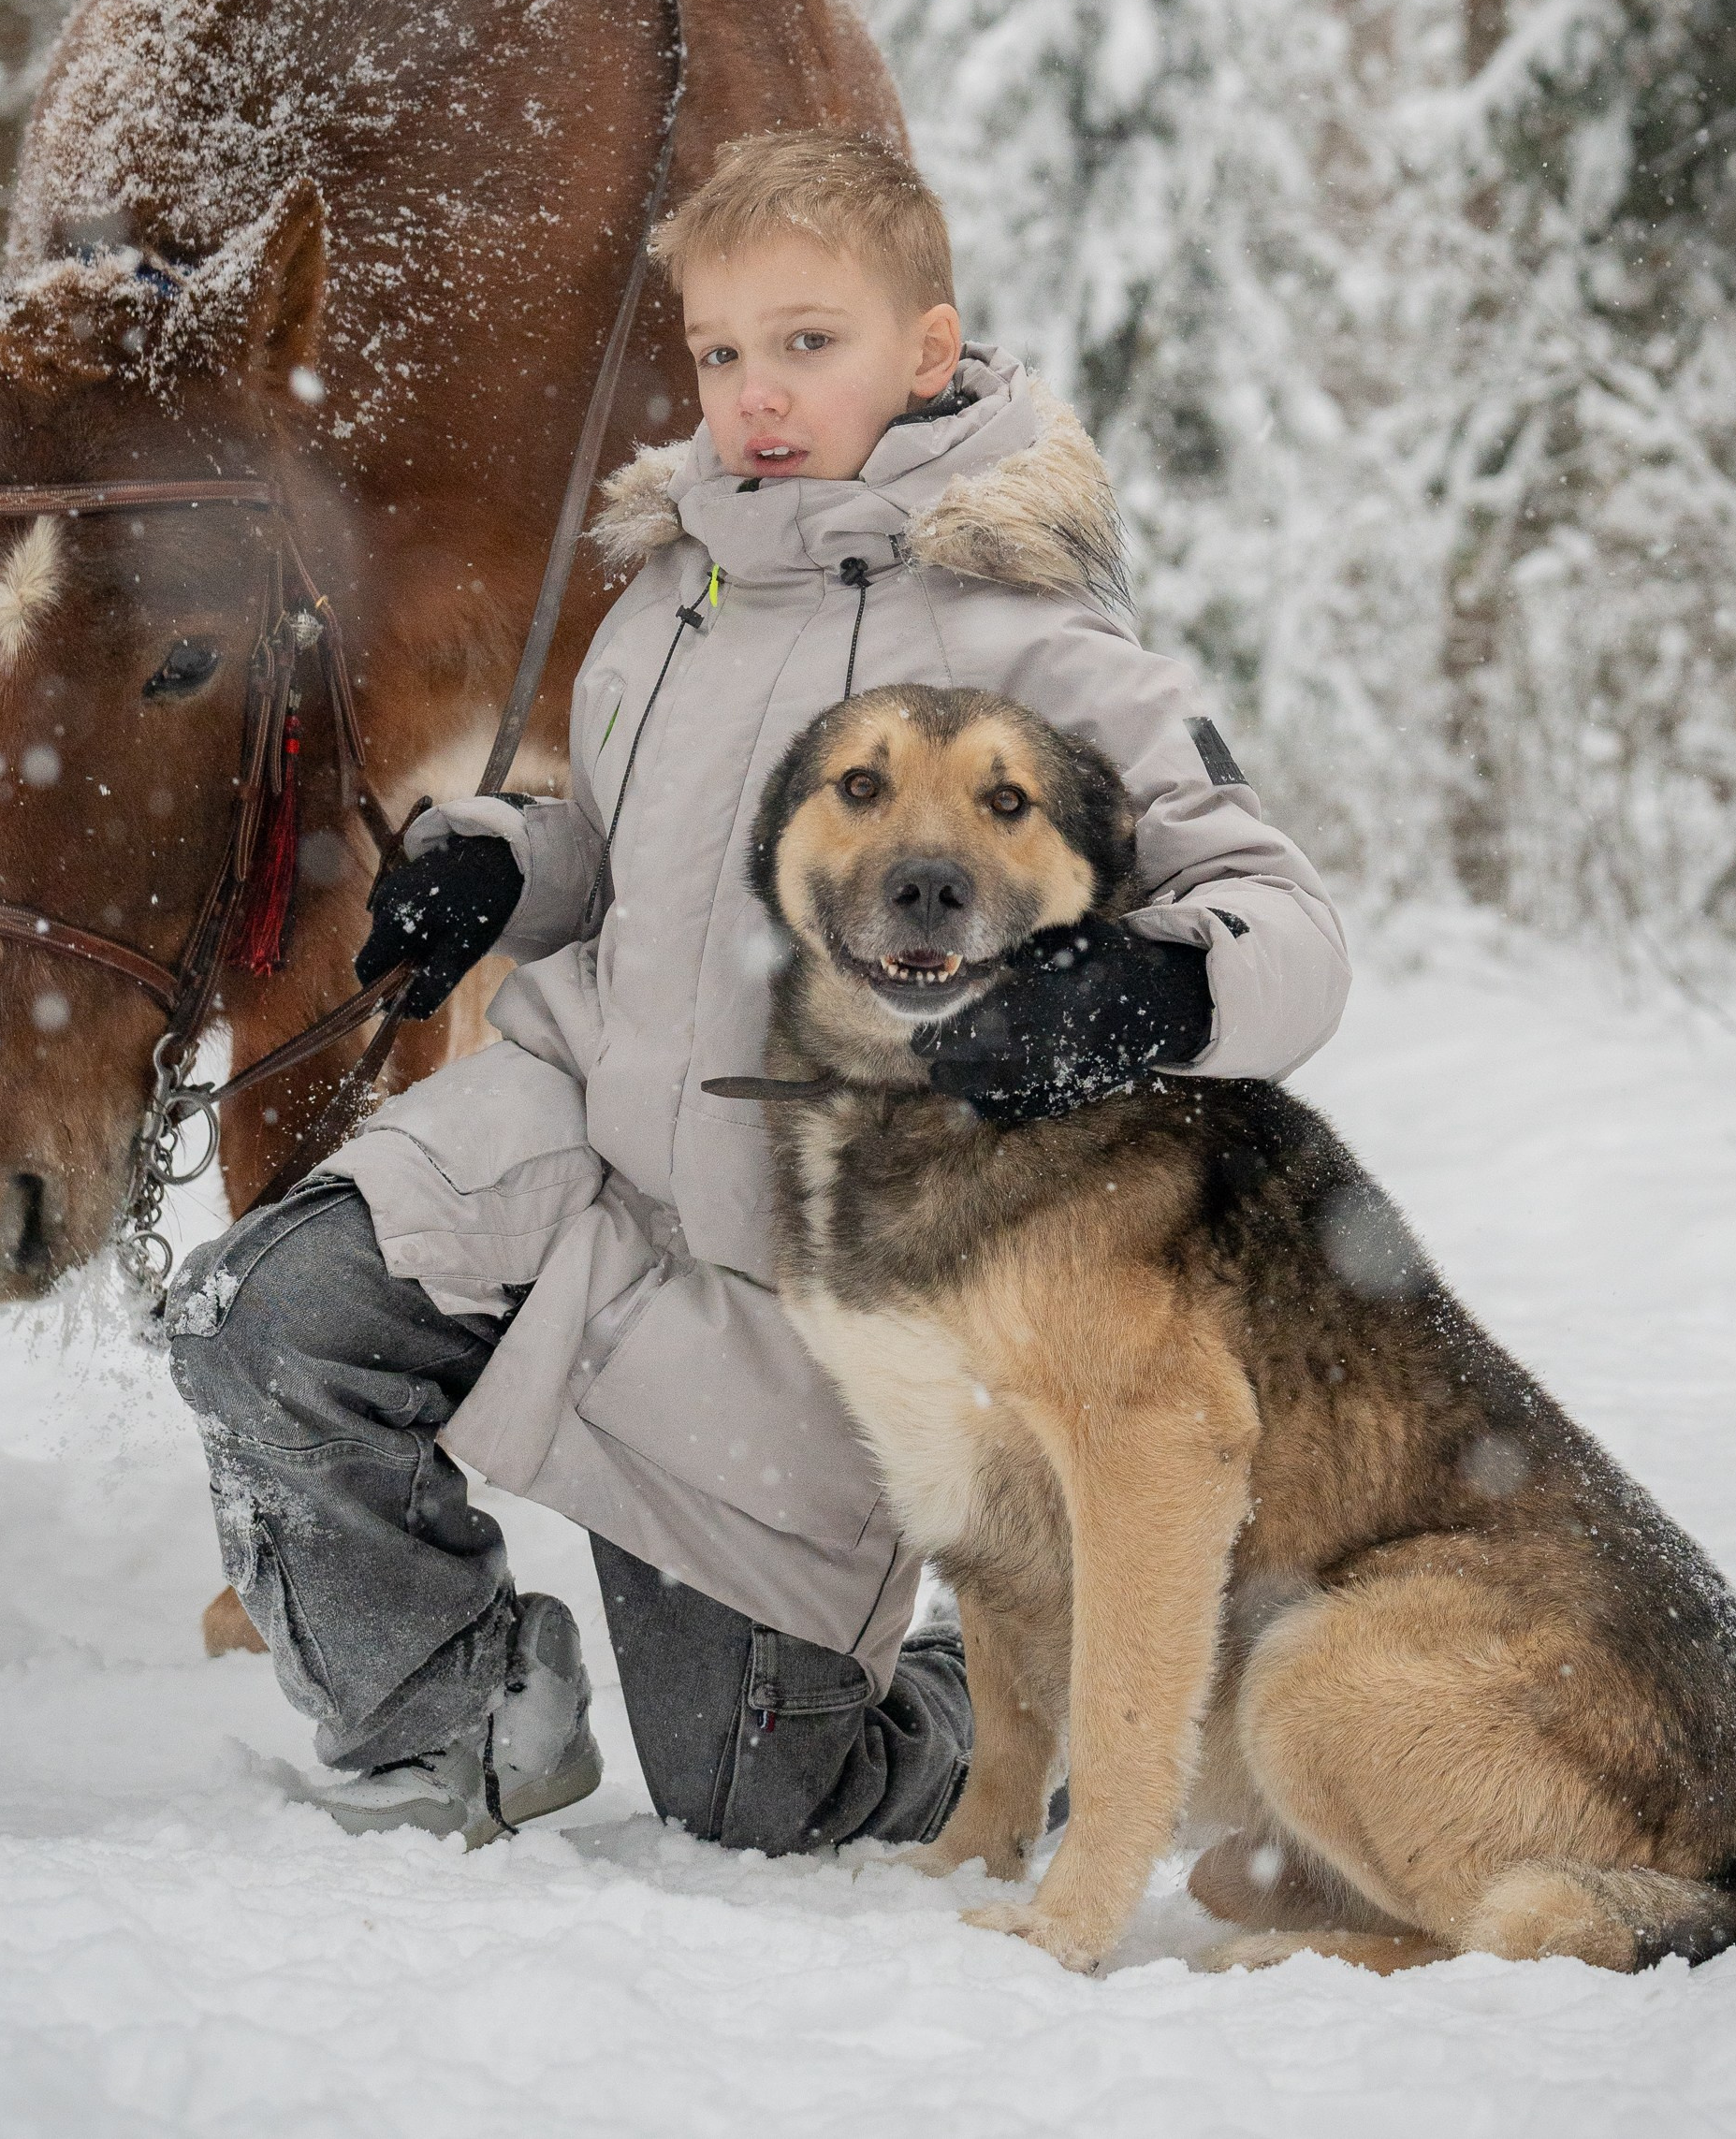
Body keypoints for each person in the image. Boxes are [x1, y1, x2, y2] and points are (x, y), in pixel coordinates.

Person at [168, 130, 1350, 1853]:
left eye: (808, 342)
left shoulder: (1029, 632)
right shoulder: (677, 586)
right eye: (720, 354)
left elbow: (1282, 922)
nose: (754, 396)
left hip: (790, 1266)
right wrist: (511, 859)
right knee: (263, 1329)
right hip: (569, 1135)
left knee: (767, 1800)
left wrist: (1148, 995)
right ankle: (457, 1724)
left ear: (926, 352)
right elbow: (632, 850)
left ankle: (1030, 1700)